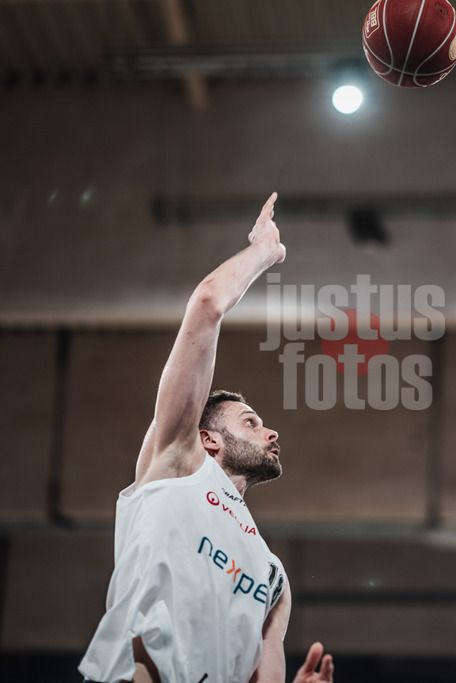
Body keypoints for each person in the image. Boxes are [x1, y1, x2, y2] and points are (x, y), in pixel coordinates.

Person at [79, 193, 335, 683]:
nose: (271, 430)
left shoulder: (273, 577)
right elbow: (207, 303)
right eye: (250, 421)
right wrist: (265, 250)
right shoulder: (177, 464)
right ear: (208, 440)